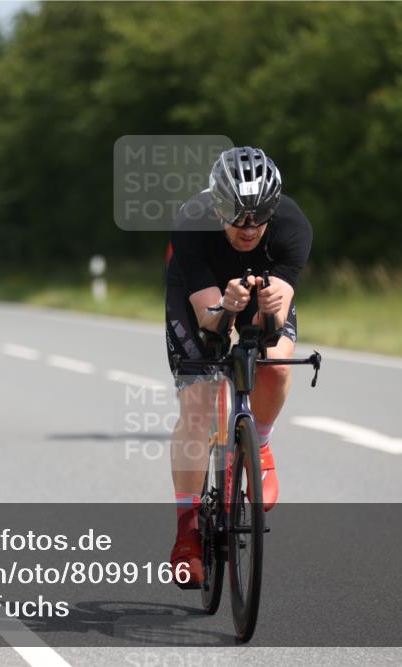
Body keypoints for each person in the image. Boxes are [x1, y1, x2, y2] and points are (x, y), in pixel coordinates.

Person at [164, 147, 312, 588]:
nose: (248, 228)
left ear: (273, 209)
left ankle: (259, 444)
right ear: (217, 208)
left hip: (261, 294)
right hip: (202, 297)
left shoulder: (293, 226)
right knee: (198, 403)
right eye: (237, 217)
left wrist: (268, 310)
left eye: (258, 217)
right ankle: (187, 532)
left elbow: (275, 324)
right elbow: (209, 322)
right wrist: (226, 307)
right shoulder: (191, 222)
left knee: (276, 366)